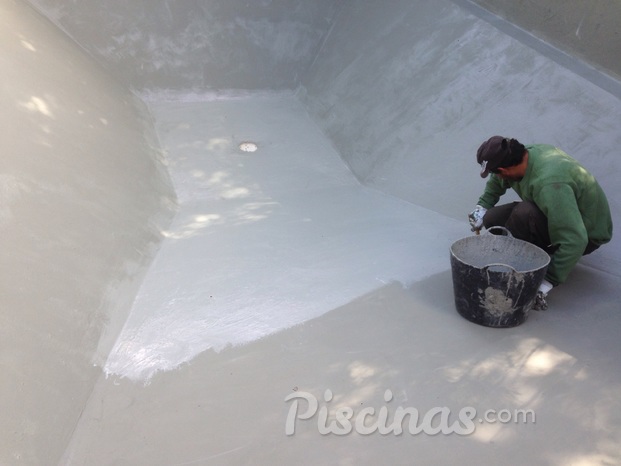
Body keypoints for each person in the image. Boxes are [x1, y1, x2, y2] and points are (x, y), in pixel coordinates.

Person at [468, 136, 613, 310]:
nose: (496, 176)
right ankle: (533, 248)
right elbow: (497, 182)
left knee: (522, 215)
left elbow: (576, 240)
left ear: (503, 169)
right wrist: (481, 207)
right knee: (491, 218)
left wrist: (547, 282)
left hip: (587, 234)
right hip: (555, 208)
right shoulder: (520, 155)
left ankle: (534, 262)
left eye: (495, 172)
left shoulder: (549, 183)